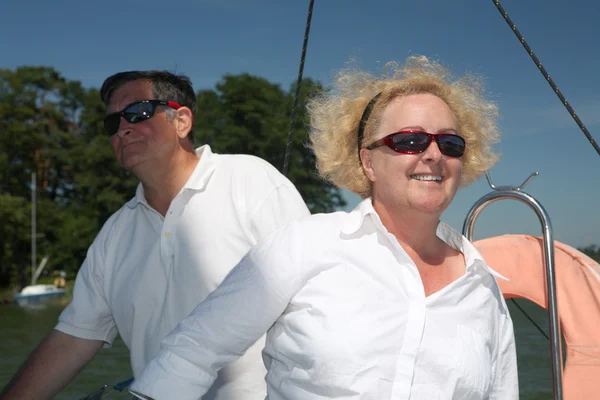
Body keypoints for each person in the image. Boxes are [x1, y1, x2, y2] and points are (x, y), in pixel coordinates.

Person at [129, 56, 519, 400]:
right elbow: (195, 348)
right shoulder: (304, 246)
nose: (433, 154)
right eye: (410, 140)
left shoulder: (481, 286)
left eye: (450, 143)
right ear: (368, 161)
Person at [0, 71, 310, 400]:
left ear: (182, 121)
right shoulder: (115, 235)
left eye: (138, 112)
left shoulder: (250, 181)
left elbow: (320, 298)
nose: (123, 127)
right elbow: (72, 339)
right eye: (112, 122)